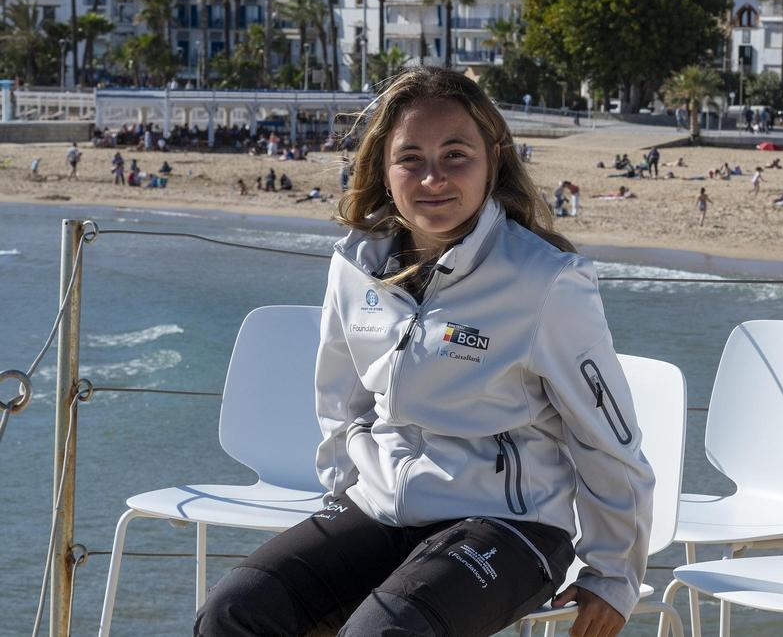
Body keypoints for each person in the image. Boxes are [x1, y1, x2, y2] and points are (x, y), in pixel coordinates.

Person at [195, 67, 653, 637]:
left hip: (510, 524)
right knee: (235, 611)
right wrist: (346, 501)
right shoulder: (354, 265)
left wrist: (613, 575)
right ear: (384, 169)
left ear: (493, 158)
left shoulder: (547, 282)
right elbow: (342, 401)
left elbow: (608, 439)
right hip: (379, 508)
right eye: (410, 157)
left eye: (455, 154)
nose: (433, 177)